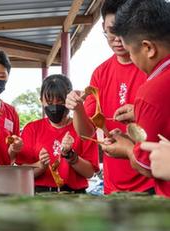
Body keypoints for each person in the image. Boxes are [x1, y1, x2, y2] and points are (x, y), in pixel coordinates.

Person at [65, 0, 154, 194]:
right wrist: (77, 108)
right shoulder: (100, 73)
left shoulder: (152, 65)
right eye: (110, 31)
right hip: (113, 185)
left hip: (152, 179)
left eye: (123, 29)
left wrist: (141, 113)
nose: (116, 38)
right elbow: (87, 132)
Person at [100, 0, 170, 197]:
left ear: (148, 48)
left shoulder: (152, 91)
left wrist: (128, 149)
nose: (131, 59)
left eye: (131, 53)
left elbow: (148, 164)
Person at [16, 75, 99, 193]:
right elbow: (22, 172)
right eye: (49, 102)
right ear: (41, 101)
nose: (54, 106)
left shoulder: (84, 128)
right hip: (41, 194)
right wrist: (41, 165)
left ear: (69, 100)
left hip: (74, 195)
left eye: (60, 101)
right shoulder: (32, 129)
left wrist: (71, 156)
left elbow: (89, 172)